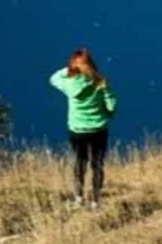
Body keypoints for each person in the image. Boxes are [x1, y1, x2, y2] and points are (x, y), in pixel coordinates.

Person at [50, 48, 117, 209]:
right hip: (98, 130)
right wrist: (107, 114)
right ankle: (95, 201)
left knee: (80, 162)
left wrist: (70, 68)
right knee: (97, 164)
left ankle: (78, 198)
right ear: (91, 65)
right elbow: (112, 106)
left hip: (77, 130)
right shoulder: (101, 83)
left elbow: (53, 78)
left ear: (74, 66)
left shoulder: (69, 83)